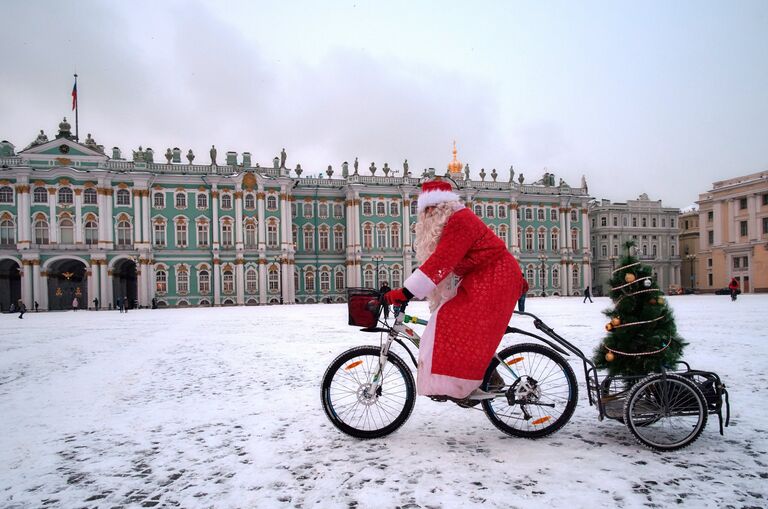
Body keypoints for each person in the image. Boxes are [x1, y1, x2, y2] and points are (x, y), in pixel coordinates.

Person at [383, 178, 525, 400]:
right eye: (425, 210)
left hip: (497, 276)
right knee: (454, 320)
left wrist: (405, 292)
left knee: (451, 320)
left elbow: (441, 262)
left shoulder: (460, 220)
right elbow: (444, 264)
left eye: (432, 208)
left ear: (444, 206)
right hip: (483, 277)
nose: (428, 214)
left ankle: (462, 386)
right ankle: (483, 379)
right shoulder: (450, 222)